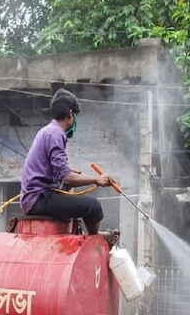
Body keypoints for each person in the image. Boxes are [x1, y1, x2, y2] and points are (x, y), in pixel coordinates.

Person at [20, 88, 119, 244]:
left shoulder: (47, 131)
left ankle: (93, 235)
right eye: (75, 116)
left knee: (79, 200)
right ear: (70, 114)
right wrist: (96, 180)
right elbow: (66, 179)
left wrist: (69, 172)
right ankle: (96, 237)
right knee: (93, 207)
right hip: (39, 199)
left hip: (34, 198)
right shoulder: (55, 134)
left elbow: (54, 171)